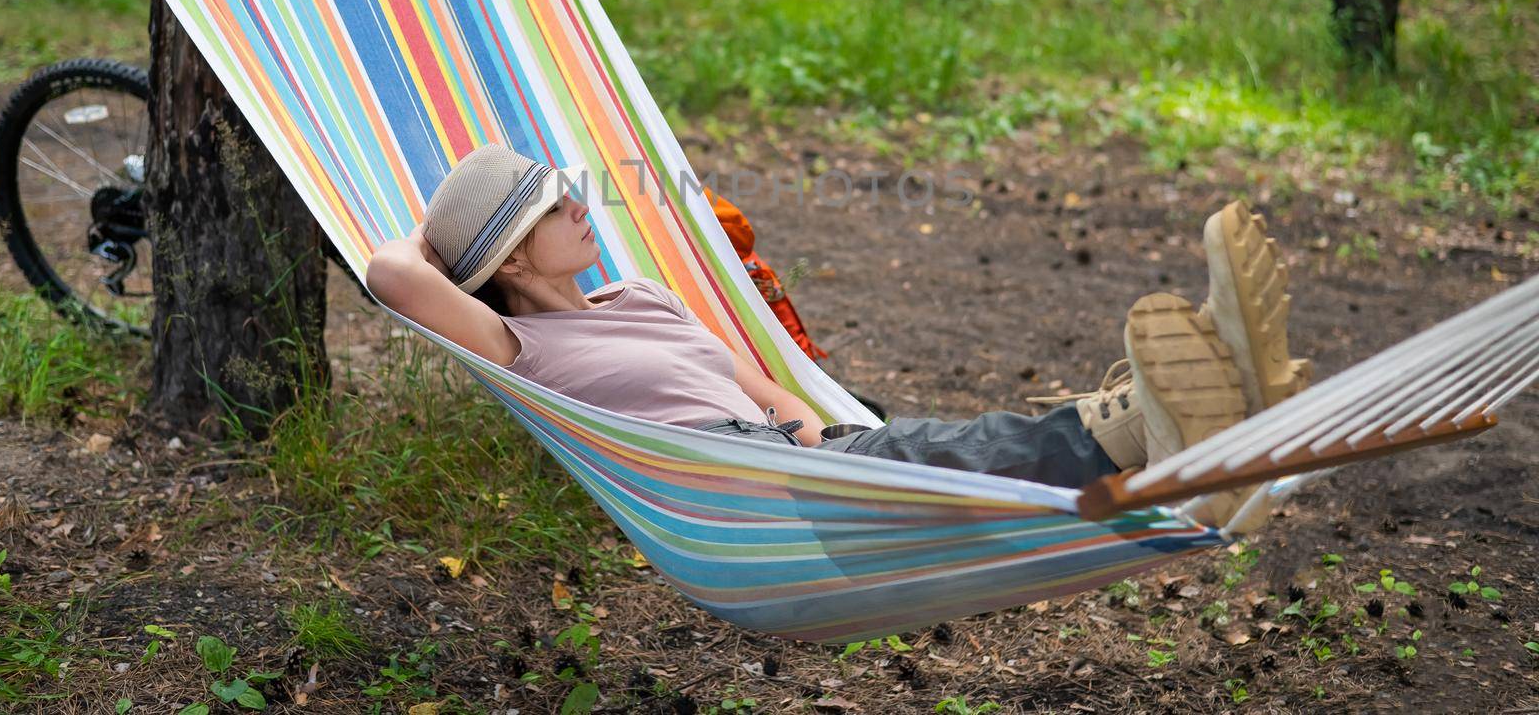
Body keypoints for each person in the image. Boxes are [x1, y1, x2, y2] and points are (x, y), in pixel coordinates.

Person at [365, 145, 1311, 531]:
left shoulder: (638, 294)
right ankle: (1179, 420)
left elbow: (761, 388)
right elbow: (392, 275)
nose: (579, 204)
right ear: (511, 265)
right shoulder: (517, 346)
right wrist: (449, 243)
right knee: (944, 453)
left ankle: (1194, 418)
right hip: (729, 493)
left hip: (796, 455)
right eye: (547, 207)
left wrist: (807, 427)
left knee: (943, 449)